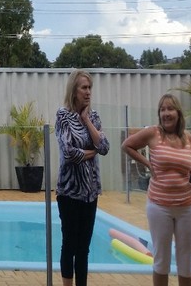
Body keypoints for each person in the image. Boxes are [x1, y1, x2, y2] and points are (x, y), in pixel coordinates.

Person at [122, 94, 191, 286]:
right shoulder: (153, 133)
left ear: (178, 113)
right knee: (161, 261)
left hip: (187, 208)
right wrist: (148, 163)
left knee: (185, 262)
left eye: (170, 109)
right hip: (160, 208)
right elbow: (127, 145)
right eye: (162, 109)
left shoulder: (188, 137)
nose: (166, 113)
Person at [55, 69, 110, 286]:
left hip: (90, 193)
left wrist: (86, 120)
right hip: (69, 191)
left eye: (90, 88)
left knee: (84, 247)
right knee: (69, 244)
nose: (88, 92)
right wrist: (92, 151)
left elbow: (104, 147)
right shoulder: (63, 116)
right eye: (83, 88)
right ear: (74, 90)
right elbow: (69, 153)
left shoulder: (94, 116)